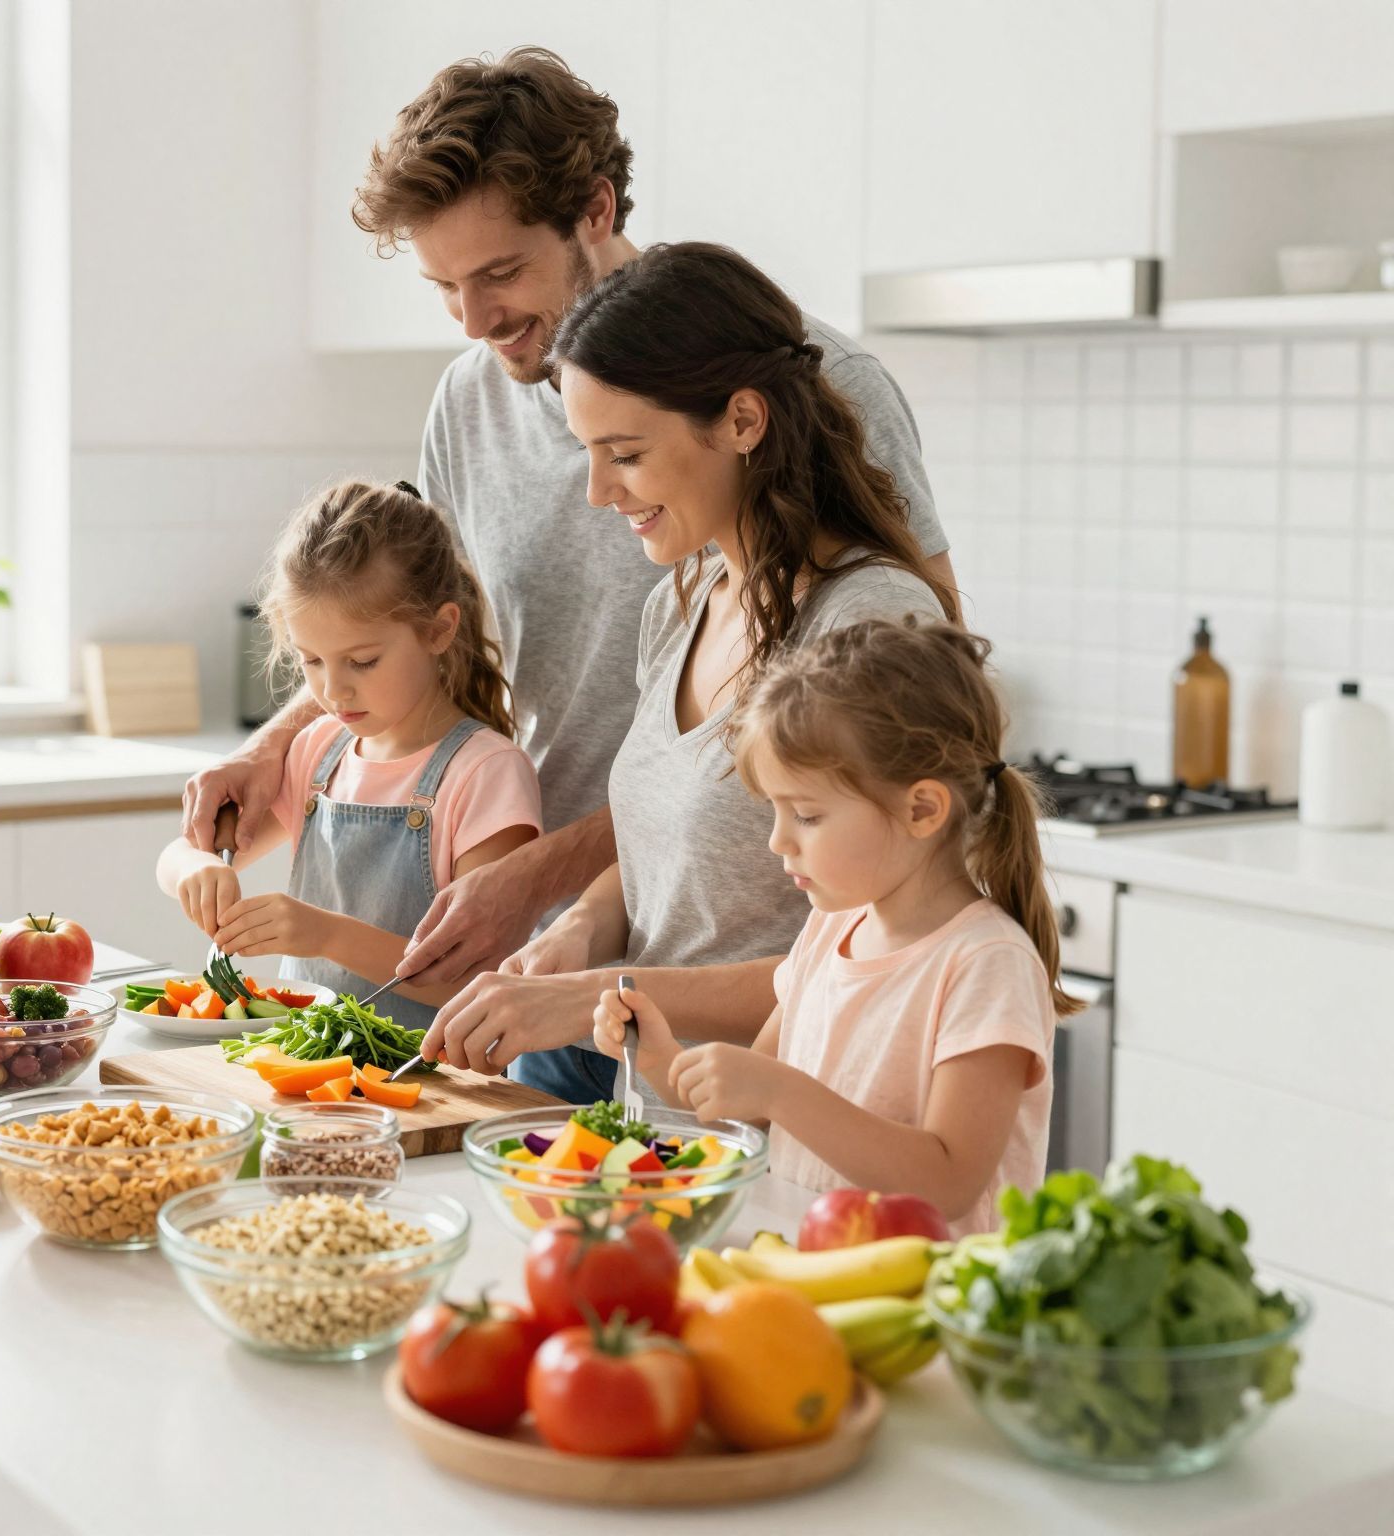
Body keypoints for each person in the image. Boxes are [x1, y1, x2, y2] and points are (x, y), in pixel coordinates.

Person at [180, 47, 956, 993]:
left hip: (759, 970)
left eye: (500, 271)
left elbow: (923, 698)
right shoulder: (470, 405)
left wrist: (539, 873)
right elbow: (412, 627)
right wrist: (277, 748)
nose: (473, 320)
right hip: (553, 947)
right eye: (442, 287)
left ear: (595, 210)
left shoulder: (809, 385)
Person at [424, 241, 957, 1095]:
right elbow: (662, 854)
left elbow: (883, 957)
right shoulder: (684, 600)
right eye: (588, 451)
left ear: (743, 422)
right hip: (665, 1129)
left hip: (798, 1139)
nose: (600, 491)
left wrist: (597, 995)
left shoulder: (868, 627)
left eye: (626, 454)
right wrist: (582, 932)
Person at [592, 620, 1076, 1233]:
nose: (778, 841)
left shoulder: (986, 963)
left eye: (808, 815)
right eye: (775, 811)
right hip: (813, 1275)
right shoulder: (828, 932)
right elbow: (744, 1120)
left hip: (922, 1307)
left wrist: (779, 1091)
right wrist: (661, 1056)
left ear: (922, 809)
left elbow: (949, 1181)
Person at [155, 480, 541, 1029]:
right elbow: (174, 856)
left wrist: (328, 936)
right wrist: (195, 868)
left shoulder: (486, 774)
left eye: (362, 661)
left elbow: (478, 978)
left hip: (433, 1086)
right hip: (312, 1077)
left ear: (439, 630)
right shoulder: (318, 750)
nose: (333, 692)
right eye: (312, 661)